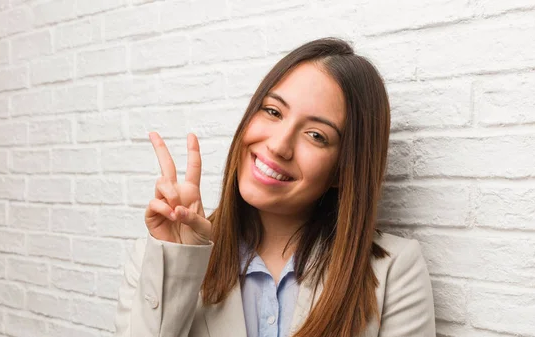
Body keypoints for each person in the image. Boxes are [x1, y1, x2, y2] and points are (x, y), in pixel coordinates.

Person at [114, 37, 436, 337]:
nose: (279, 145)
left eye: (316, 135)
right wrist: (180, 261)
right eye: (272, 111)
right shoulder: (158, 255)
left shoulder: (394, 270)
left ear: (343, 170)